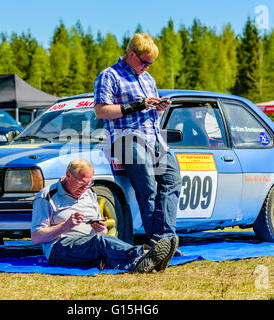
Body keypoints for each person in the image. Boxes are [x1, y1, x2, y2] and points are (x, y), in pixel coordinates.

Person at [93, 33, 182, 253]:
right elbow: (101, 110)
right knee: (148, 186)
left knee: (172, 181)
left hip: (154, 138)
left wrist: (158, 108)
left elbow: (149, 111)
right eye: (145, 62)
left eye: (151, 64)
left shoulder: (148, 80)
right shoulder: (109, 76)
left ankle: (166, 240)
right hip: (127, 139)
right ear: (131, 54)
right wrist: (139, 104)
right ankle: (158, 242)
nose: (148, 67)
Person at [31, 158, 178, 273]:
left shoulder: (89, 193)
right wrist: (66, 225)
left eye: (89, 184)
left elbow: (103, 233)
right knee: (100, 243)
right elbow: (36, 237)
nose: (84, 188)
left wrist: (100, 228)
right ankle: (145, 252)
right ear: (68, 175)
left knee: (105, 256)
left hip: (89, 245)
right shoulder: (47, 196)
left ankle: (140, 264)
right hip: (59, 248)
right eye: (81, 183)